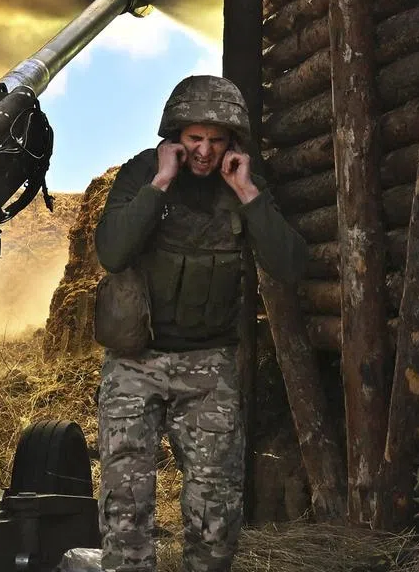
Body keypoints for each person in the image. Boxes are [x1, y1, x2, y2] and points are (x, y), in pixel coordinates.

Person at [93, 75, 307, 572]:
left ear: (232, 141)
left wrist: (249, 193)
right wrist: (160, 182)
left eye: (216, 140)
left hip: (209, 366)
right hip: (134, 362)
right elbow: (113, 251)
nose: (206, 151)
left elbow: (292, 265)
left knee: (216, 509)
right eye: (194, 139)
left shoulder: (244, 185)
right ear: (174, 136)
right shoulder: (142, 174)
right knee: (126, 505)